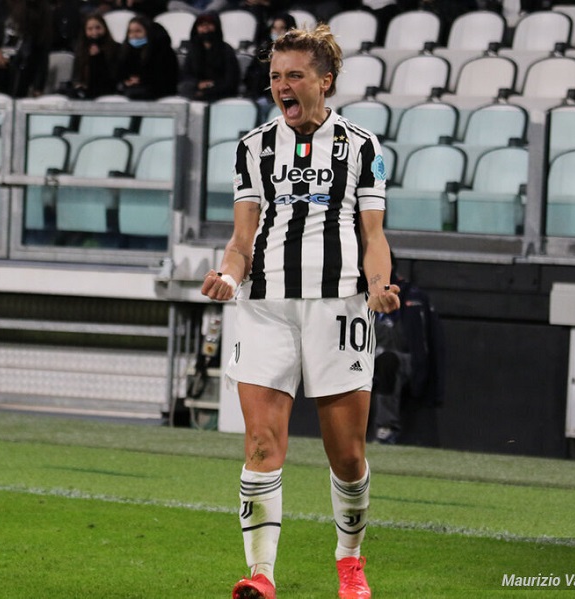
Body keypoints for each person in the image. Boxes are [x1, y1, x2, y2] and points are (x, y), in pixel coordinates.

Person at [200, 24, 399, 599]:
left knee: (348, 456)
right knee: (262, 445)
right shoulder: (253, 147)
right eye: (274, 77)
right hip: (265, 307)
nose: (281, 86)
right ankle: (261, 575)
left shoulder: (362, 146)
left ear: (324, 81)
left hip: (339, 307)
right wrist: (227, 275)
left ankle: (350, 562)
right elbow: (241, 240)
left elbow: (373, 235)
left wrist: (379, 286)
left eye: (294, 75)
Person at [371, 251, 444, 445]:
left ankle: (386, 428)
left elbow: (427, 344)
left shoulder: (411, 296)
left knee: (388, 360)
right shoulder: (361, 294)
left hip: (401, 358)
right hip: (367, 356)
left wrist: (427, 382)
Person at [0, 0, 53, 97]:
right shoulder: (0, 4)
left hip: (22, 70)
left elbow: (42, 51)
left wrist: (38, 87)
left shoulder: (40, 8)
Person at [178, 11, 239, 102]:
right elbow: (186, 76)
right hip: (196, 93)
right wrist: (197, 84)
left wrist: (209, 88)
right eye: (201, 25)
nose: (205, 28)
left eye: (209, 24)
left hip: (221, 95)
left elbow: (231, 81)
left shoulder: (226, 50)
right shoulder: (193, 51)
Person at [115, 15, 178, 100]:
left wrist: (142, 80)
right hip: (131, 91)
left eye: (138, 31)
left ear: (148, 32)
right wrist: (126, 82)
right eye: (130, 32)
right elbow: (119, 74)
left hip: (157, 93)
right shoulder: (125, 51)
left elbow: (165, 77)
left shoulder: (162, 51)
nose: (133, 35)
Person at [242, 12, 294, 108]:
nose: (277, 32)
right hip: (259, 97)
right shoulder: (264, 51)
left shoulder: (296, 54)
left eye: (282, 28)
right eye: (274, 28)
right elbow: (251, 77)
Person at [68, 12, 119, 99]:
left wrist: (98, 57)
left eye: (98, 28)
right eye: (90, 29)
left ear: (104, 28)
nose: (94, 32)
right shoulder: (81, 50)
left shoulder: (115, 48)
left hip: (108, 93)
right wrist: (78, 85)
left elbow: (113, 76)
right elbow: (76, 76)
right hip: (85, 93)